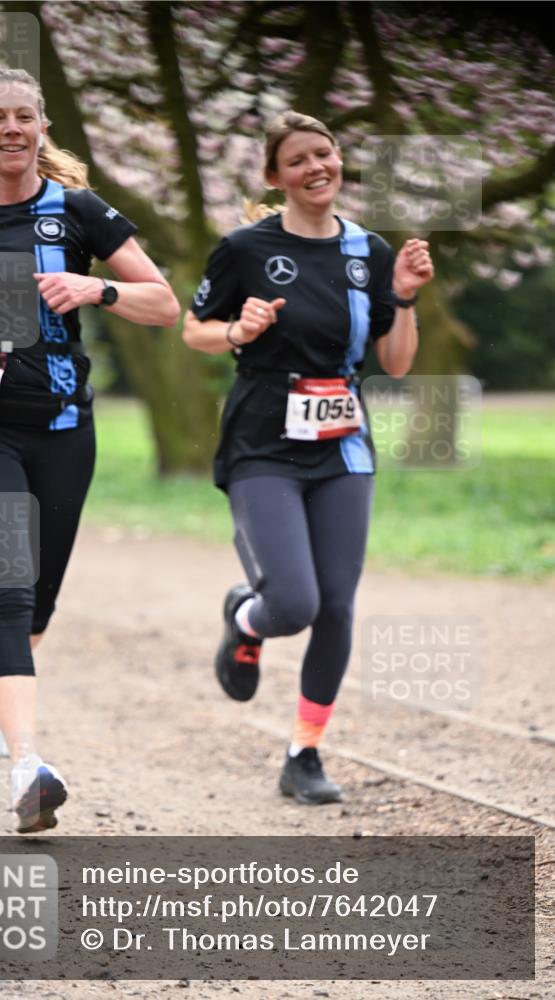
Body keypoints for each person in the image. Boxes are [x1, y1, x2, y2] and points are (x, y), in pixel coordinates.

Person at [0, 68, 179, 832]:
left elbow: (164, 302)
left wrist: (97, 292)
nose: (11, 128)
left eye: (24, 116)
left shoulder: (78, 212)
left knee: (39, 598)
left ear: (42, 128)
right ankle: (29, 768)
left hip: (61, 427)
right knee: (9, 590)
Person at [183, 111, 433, 804]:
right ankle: (245, 617)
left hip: (343, 439)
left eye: (323, 154)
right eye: (297, 160)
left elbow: (395, 361)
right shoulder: (243, 248)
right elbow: (192, 329)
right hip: (264, 436)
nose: (315, 167)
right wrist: (237, 327)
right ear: (275, 176)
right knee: (292, 602)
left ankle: (304, 753)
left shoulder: (369, 251)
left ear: (338, 159)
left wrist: (405, 297)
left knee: (338, 607)